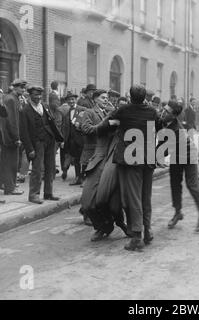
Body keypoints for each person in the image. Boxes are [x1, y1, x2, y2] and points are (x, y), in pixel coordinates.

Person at [110, 84, 159, 251]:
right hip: (149, 157)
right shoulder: (152, 111)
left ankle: (137, 236)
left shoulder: (124, 110)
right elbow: (158, 129)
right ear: (144, 97)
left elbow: (111, 123)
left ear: (130, 97)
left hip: (132, 158)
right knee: (146, 196)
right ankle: (148, 230)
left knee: (134, 197)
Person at [157, 100, 199, 232]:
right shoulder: (162, 121)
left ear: (174, 116)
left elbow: (164, 148)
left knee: (192, 184)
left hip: (188, 154)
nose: (163, 112)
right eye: (164, 109)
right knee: (175, 183)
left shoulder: (176, 129)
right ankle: (178, 212)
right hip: (176, 154)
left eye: (167, 111)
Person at [80, 112, 128, 241]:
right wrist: (109, 123)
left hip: (115, 168)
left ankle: (119, 223)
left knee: (113, 205)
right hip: (98, 164)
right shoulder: (106, 124)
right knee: (87, 203)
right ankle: (103, 226)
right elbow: (94, 130)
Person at [20, 86, 63, 204]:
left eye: (40, 95)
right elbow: (23, 133)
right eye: (35, 95)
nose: (38, 97)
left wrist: (59, 138)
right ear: (30, 95)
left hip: (50, 140)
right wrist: (29, 149)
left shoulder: (44, 106)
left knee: (50, 168)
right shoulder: (25, 110)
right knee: (37, 169)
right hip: (37, 143)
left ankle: (48, 193)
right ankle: (34, 195)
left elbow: (51, 123)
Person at [0, 79, 27, 196]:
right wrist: (16, 137)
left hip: (6, 136)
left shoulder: (10, 98)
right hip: (10, 137)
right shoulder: (11, 99)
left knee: (5, 161)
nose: (23, 90)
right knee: (12, 163)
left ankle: (5, 184)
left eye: (24, 87)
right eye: (21, 87)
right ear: (14, 88)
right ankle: (10, 188)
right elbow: (12, 121)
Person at [61, 91, 86, 186]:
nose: (71, 101)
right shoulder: (67, 113)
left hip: (81, 139)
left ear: (76, 100)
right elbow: (65, 128)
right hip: (71, 141)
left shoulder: (82, 109)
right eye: (69, 100)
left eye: (72, 99)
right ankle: (77, 177)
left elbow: (87, 122)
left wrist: (80, 125)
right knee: (75, 159)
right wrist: (63, 140)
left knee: (83, 159)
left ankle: (83, 178)